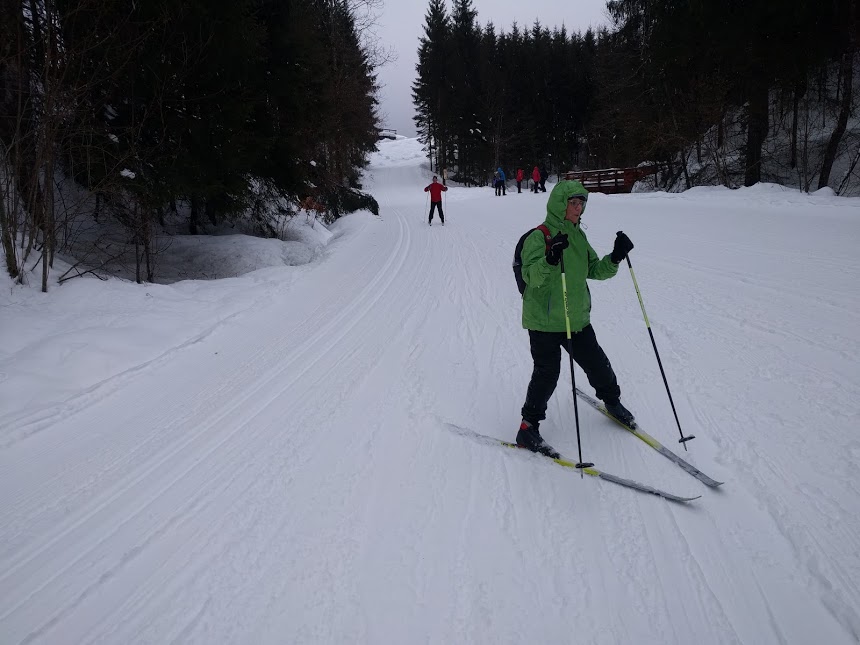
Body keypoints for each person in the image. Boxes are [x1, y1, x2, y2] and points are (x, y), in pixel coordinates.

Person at [515, 180, 636, 458]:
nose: (578, 208)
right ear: (561, 204)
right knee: (547, 373)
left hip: (576, 317)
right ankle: (527, 427)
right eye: (573, 203)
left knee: (597, 362)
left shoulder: (579, 237)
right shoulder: (539, 237)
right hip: (544, 321)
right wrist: (550, 257)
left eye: (581, 203)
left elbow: (594, 269)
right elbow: (531, 278)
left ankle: (613, 402)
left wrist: (616, 257)